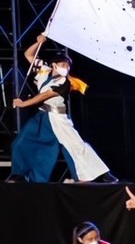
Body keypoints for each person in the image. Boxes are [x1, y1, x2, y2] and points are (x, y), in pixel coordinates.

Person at [10, 37, 112, 182]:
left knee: (76, 146)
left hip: (58, 118)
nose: (66, 68)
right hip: (42, 116)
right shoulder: (44, 71)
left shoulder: (65, 82)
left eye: (68, 65)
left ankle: (102, 174)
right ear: (54, 65)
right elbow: (29, 55)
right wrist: (39, 42)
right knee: (21, 142)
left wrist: (23, 104)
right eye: (63, 64)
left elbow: (45, 95)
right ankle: (19, 174)